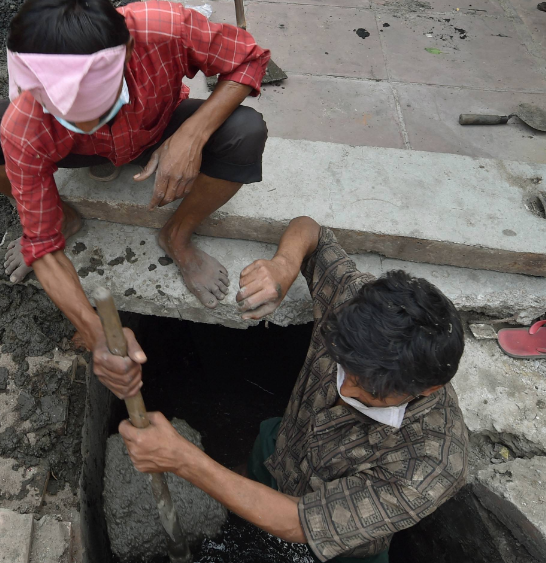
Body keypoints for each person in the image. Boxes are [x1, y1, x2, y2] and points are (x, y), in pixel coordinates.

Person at [0, 0, 269, 392]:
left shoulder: (161, 27)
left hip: (153, 127)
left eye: (91, 111)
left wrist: (192, 135)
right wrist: (97, 332)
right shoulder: (28, 122)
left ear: (129, 53)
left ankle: (178, 234)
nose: (79, 121)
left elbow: (249, 59)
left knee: (245, 131)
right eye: (64, 114)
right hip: (70, 153)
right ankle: (64, 215)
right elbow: (41, 246)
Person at [118, 217, 468, 563]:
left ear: (427, 388)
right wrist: (283, 266)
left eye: (370, 391)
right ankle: (244, 483)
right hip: (281, 446)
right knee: (258, 462)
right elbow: (312, 231)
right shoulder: (354, 305)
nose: (344, 386)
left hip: (345, 549)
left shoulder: (431, 461)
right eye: (346, 367)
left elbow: (299, 522)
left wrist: (183, 460)